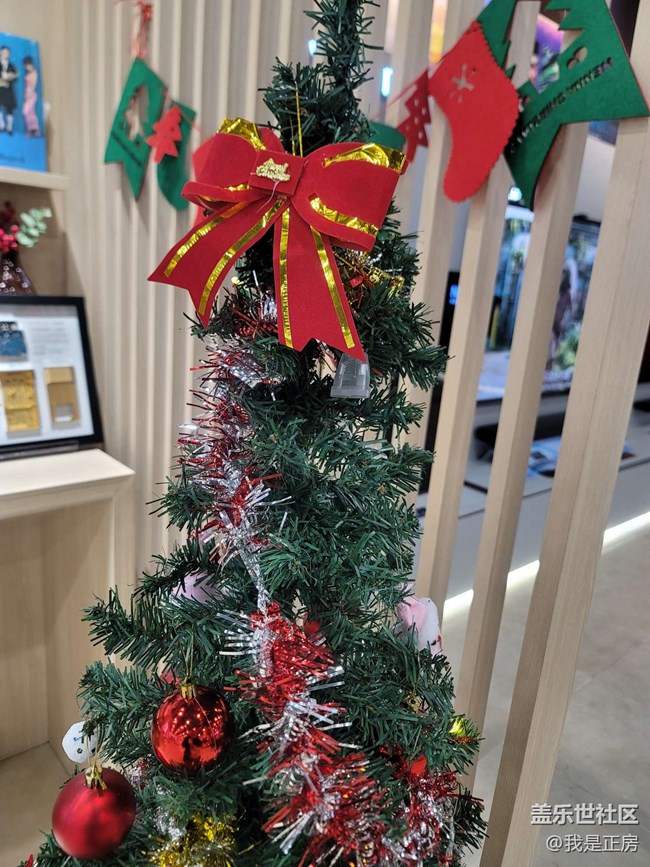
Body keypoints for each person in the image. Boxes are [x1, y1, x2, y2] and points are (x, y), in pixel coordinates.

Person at [0, 46, 18, 135]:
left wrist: (9, 78)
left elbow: (16, 78)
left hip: (8, 91)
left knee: (9, 109)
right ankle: (1, 125)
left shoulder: (12, 66)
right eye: (4, 52)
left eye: (7, 52)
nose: (5, 54)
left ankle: (9, 127)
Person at [22, 56, 40, 137]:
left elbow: (33, 86)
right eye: (26, 66)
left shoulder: (34, 73)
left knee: (28, 112)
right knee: (29, 113)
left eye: (28, 65)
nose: (27, 67)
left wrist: (29, 95)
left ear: (32, 64)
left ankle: (36, 130)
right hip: (27, 93)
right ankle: (31, 130)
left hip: (32, 94)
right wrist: (25, 95)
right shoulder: (27, 73)